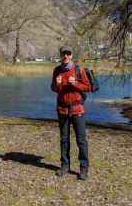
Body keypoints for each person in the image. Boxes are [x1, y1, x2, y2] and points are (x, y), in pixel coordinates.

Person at [51, 45, 91, 180]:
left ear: (72, 55)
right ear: (60, 56)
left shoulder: (79, 70)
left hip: (77, 109)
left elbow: (88, 87)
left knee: (81, 140)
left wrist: (76, 84)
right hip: (62, 109)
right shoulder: (57, 70)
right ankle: (64, 166)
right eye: (63, 54)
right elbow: (53, 88)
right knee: (64, 139)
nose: (65, 56)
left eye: (68, 54)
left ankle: (84, 169)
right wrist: (56, 84)